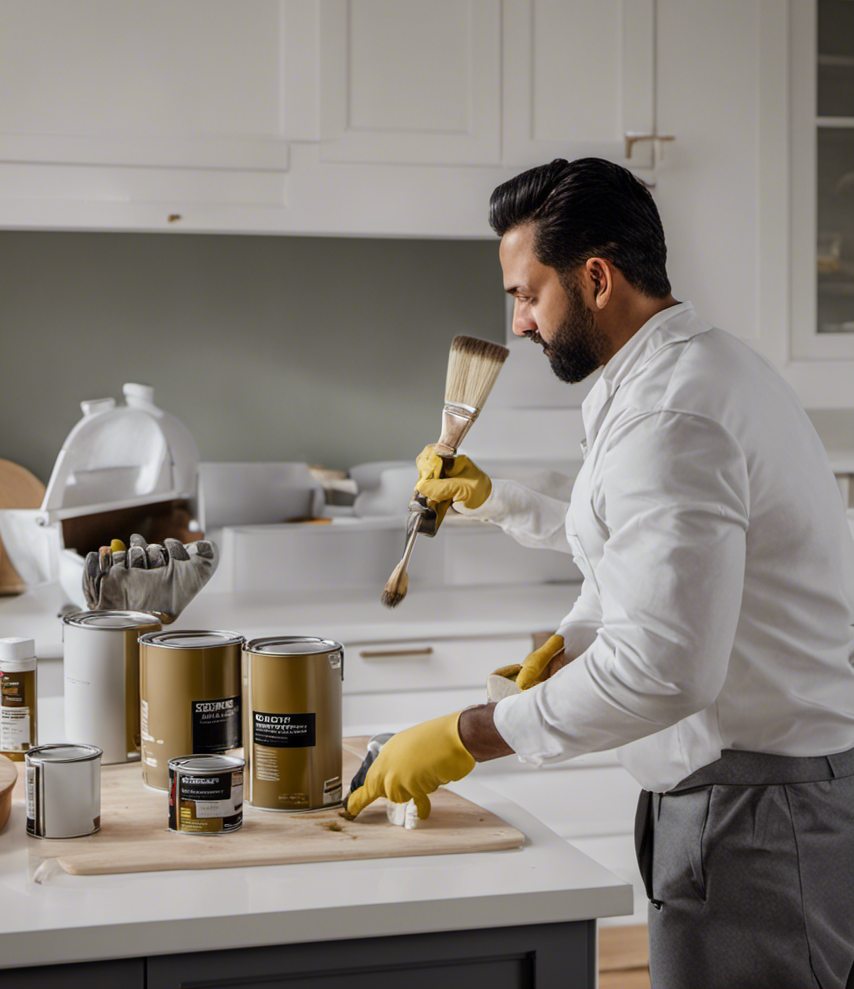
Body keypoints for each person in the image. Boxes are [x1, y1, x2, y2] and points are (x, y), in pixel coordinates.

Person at [344, 157, 854, 989]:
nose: (516, 324)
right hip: (736, 799)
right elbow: (632, 555)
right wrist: (512, 528)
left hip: (759, 814)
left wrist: (468, 736)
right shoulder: (685, 372)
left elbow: (665, 667)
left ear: (595, 276)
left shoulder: (672, 412)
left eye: (526, 293)